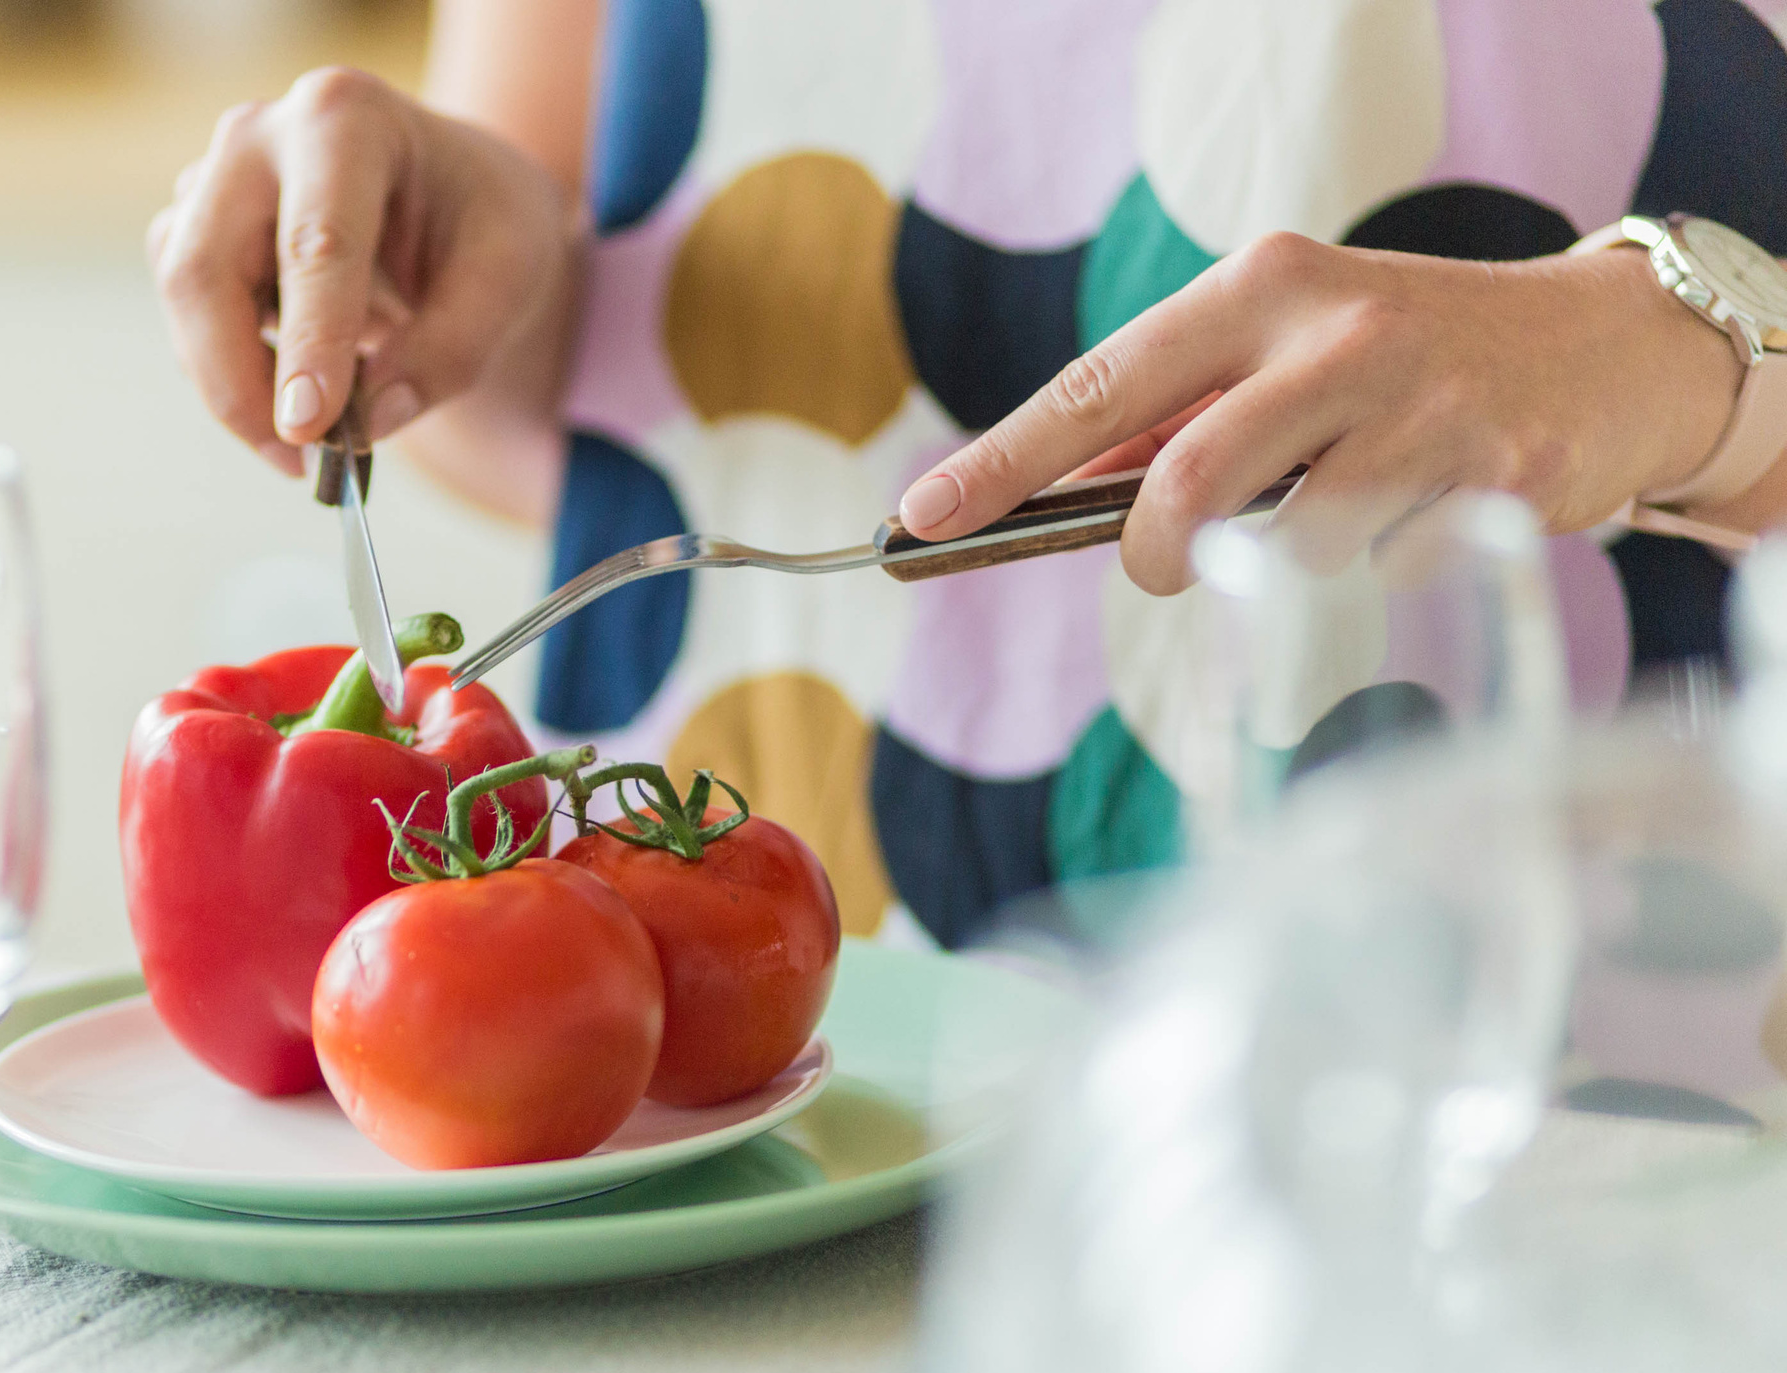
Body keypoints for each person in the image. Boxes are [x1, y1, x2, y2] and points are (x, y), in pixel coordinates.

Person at [148, 0, 1787, 947]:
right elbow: (551, 431)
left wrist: (1691, 347)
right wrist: (441, 290)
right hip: (725, 1076)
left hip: (1561, 1060)